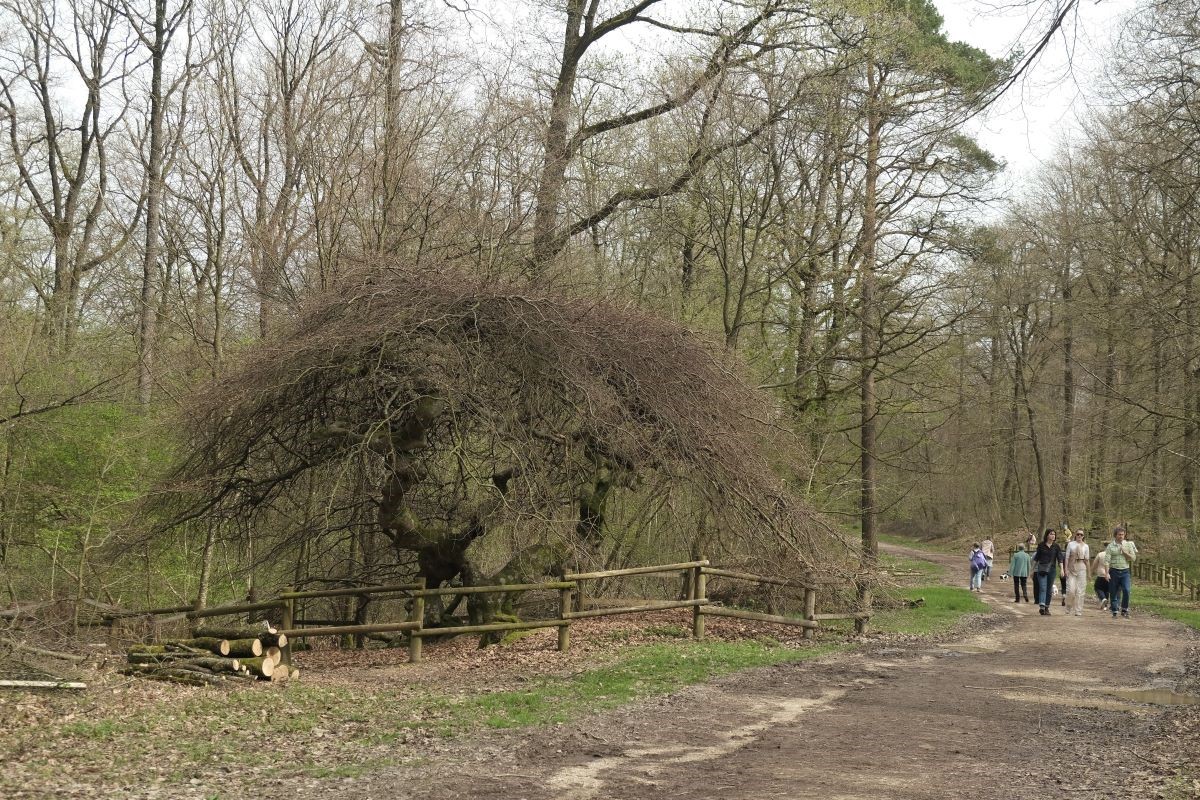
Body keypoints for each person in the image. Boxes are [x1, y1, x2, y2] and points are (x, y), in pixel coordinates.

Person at [1105, 526, 1138, 619]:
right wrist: (1106, 573)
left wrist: (1124, 553)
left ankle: (1124, 609)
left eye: (1123, 534)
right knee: (1113, 591)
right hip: (1114, 571)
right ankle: (1115, 611)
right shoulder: (1110, 546)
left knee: (1127, 590)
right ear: (1115, 535)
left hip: (1125, 571)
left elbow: (1133, 558)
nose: (1121, 536)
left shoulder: (1128, 545)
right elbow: (1107, 560)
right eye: (1119, 535)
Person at [1032, 528, 1065, 615]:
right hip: (1041, 569)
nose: (1053, 536)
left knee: (1049, 589)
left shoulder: (1056, 546)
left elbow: (1060, 558)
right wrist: (1032, 570)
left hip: (1052, 569)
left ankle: (1046, 607)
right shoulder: (1041, 545)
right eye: (1051, 534)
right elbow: (1036, 558)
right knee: (1043, 587)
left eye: (1054, 534)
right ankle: (1042, 606)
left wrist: (1062, 569)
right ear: (1047, 535)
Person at [1063, 529, 1091, 616]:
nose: (1079, 536)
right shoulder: (1070, 544)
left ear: (1083, 536)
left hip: (1082, 567)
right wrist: (1065, 569)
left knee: (1080, 591)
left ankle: (1078, 610)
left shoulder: (1086, 546)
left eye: (1081, 535)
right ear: (1075, 535)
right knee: (1071, 590)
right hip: (1072, 567)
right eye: (1078, 534)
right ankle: (1068, 606)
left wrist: (1089, 572)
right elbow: (1067, 558)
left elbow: (1087, 560)